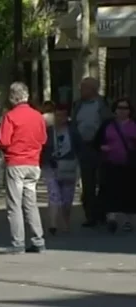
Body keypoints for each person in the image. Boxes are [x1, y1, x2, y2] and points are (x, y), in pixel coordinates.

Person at [0, 82, 47, 254]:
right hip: (33, 163)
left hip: (16, 163)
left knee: (14, 204)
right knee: (31, 203)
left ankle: (18, 242)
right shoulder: (38, 116)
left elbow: (3, 141)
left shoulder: (10, 116)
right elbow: (43, 139)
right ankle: (38, 239)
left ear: (12, 97)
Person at [71, 77, 112, 227]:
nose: (81, 90)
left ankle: (103, 213)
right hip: (84, 148)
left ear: (93, 89)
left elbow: (108, 123)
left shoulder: (103, 103)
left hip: (100, 148)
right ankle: (90, 216)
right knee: (87, 183)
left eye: (84, 87)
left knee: (102, 182)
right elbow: (73, 124)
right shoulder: (78, 104)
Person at [94, 97, 136, 233]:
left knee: (129, 192)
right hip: (110, 164)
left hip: (130, 165)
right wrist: (102, 147)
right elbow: (96, 142)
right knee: (110, 191)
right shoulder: (107, 124)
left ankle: (128, 220)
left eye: (125, 108)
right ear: (115, 110)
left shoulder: (134, 124)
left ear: (130, 111)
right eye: (119, 108)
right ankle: (111, 218)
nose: (122, 111)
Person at [41, 104, 81, 235]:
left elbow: (79, 148)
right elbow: (42, 147)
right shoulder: (48, 131)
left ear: (67, 117)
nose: (60, 118)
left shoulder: (73, 131)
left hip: (68, 166)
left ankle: (66, 221)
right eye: (57, 115)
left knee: (67, 198)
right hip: (51, 166)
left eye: (63, 115)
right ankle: (53, 224)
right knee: (54, 194)